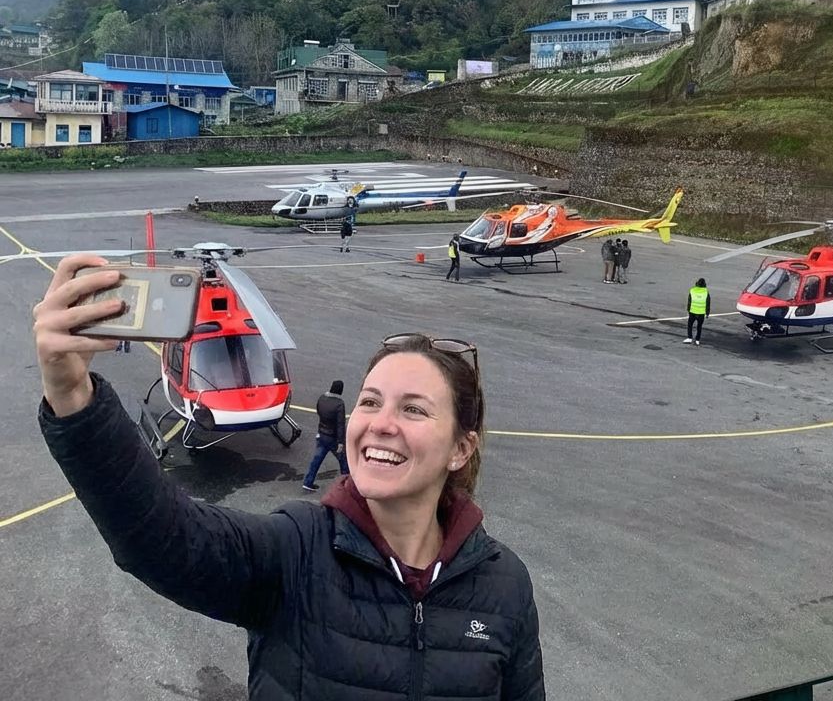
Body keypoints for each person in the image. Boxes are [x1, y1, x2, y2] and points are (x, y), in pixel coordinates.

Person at [33, 257, 545, 701]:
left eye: (414, 409)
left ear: (461, 448)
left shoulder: (505, 586)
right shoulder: (295, 551)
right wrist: (72, 394)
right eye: (370, 402)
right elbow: (160, 536)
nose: (380, 423)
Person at [302, 379, 349, 491]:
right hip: (333, 438)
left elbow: (318, 411)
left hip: (322, 434)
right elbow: (340, 425)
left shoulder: (322, 398)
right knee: (344, 461)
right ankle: (346, 484)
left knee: (316, 460)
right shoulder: (339, 404)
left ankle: (308, 482)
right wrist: (341, 442)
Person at [684, 277, 710, 345]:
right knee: (699, 327)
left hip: (692, 311)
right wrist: (707, 313)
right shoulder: (706, 292)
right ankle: (697, 340)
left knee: (690, 325)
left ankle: (689, 338)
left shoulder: (692, 290)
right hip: (701, 313)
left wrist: (688, 310)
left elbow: (689, 301)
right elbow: (708, 303)